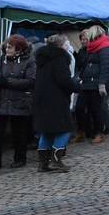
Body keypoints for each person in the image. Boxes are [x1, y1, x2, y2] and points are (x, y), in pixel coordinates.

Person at [0, 34, 36, 171]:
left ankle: (20, 159)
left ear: (19, 49)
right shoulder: (0, 59)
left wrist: (7, 82)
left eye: (10, 47)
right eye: (6, 46)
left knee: (19, 133)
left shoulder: (29, 61)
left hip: (20, 101)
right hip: (1, 100)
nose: (7, 49)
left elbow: (30, 81)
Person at [33, 35, 81, 173]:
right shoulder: (60, 58)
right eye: (67, 43)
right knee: (65, 128)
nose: (68, 45)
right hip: (56, 99)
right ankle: (55, 160)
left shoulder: (42, 57)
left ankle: (43, 163)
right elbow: (64, 80)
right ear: (60, 46)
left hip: (42, 98)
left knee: (47, 130)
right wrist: (76, 85)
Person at [78, 25, 109, 144]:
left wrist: (102, 83)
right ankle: (87, 131)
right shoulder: (91, 47)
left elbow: (105, 66)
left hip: (96, 83)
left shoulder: (104, 47)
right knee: (83, 108)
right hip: (87, 82)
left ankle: (99, 132)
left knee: (96, 110)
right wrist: (81, 77)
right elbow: (85, 64)